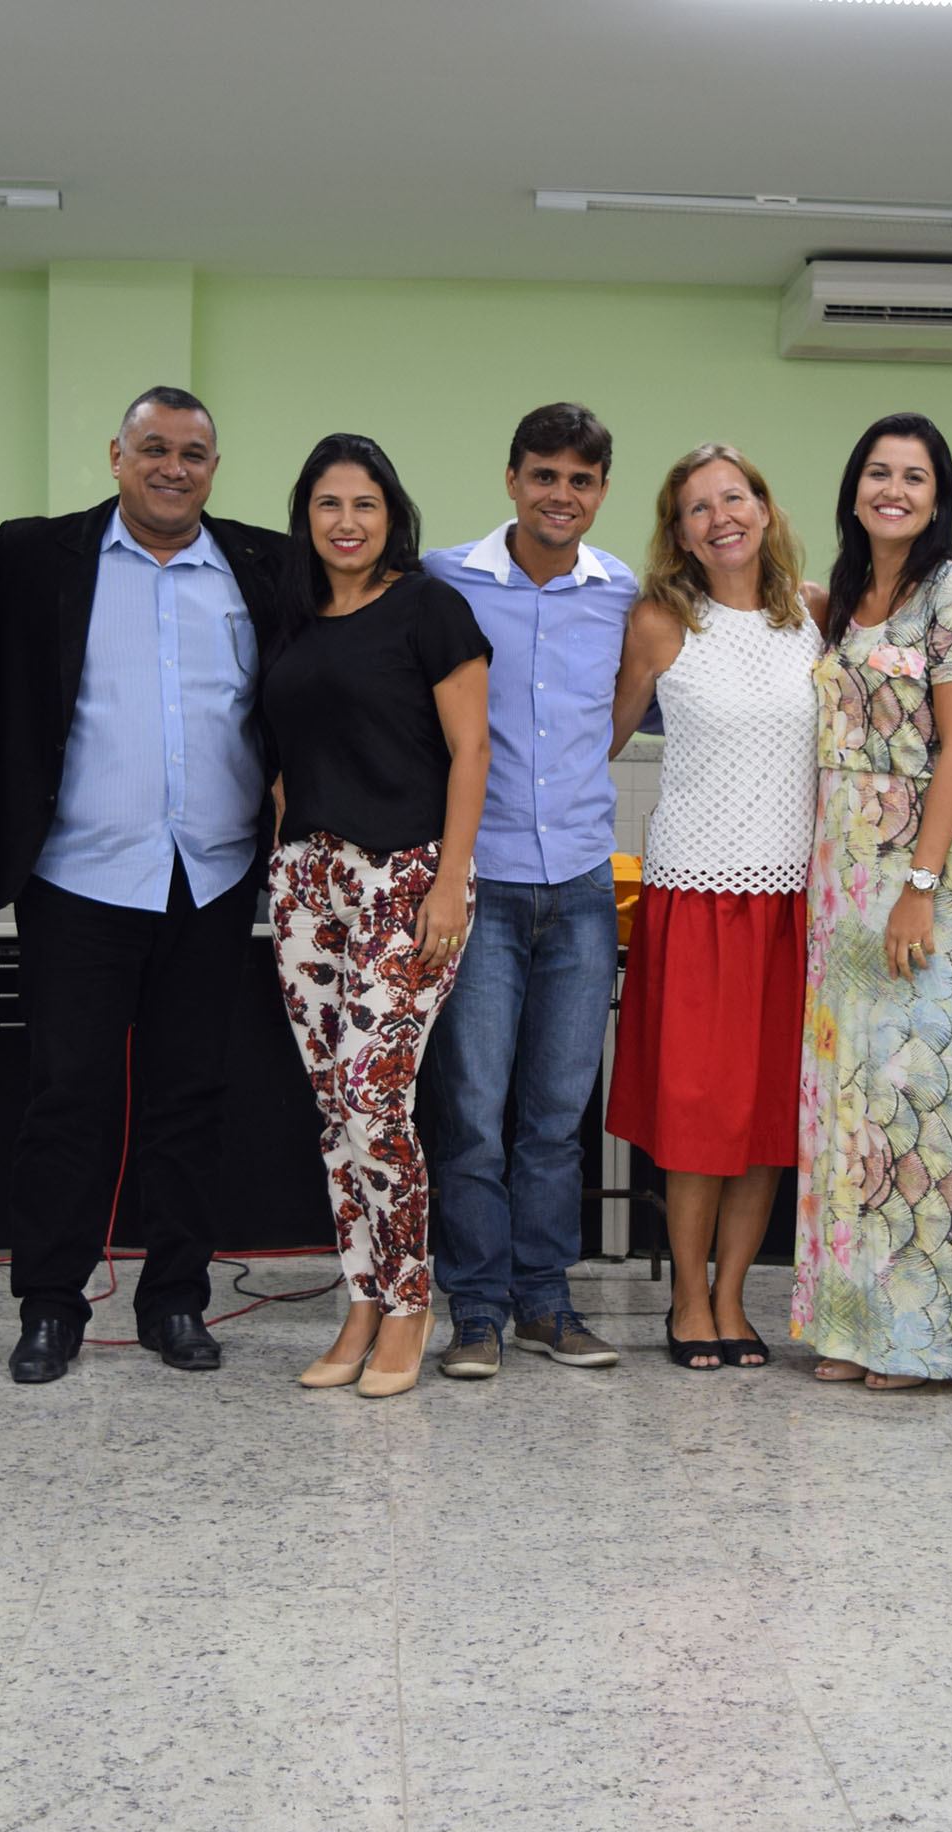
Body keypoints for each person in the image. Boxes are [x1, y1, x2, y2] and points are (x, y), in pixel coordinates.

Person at [0, 387, 288, 1381]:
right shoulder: (37, 554)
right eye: (153, 448)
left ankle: (176, 1299)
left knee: (189, 1097)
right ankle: (50, 1304)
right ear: (116, 456)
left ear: (214, 468)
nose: (172, 468)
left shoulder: (263, 564)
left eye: (193, 453)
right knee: (68, 1096)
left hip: (212, 875)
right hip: (79, 875)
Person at [262, 436, 493, 1398]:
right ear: (305, 517)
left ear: (391, 514)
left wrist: (449, 879)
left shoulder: (430, 607)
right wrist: (289, 854)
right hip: (306, 882)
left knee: (371, 1098)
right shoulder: (292, 617)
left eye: (364, 503)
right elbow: (283, 754)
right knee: (332, 1108)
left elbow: (472, 749)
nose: (346, 521)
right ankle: (360, 1299)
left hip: (407, 876)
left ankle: (407, 1301)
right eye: (328, 504)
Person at [418, 405, 636, 1379]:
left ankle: (546, 1302)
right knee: (472, 1112)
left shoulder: (621, 592)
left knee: (555, 1116)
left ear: (601, 492)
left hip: (582, 886)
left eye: (581, 480)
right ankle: (476, 1310)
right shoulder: (444, 581)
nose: (561, 495)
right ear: (511, 480)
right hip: (481, 884)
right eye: (544, 475)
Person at [792, 413, 952, 1388]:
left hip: (922, 867)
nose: (894, 490)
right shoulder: (841, 599)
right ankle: (851, 1329)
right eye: (879, 472)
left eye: (914, 477)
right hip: (841, 874)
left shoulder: (951, 590)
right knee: (848, 1103)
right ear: (854, 488)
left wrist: (918, 884)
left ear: (937, 497)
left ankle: (920, 1340)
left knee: (916, 1102)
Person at [608, 445, 815, 1371]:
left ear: (763, 510)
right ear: (679, 534)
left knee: (765, 1115)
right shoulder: (659, 621)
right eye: (698, 507)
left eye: (734, 497)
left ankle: (733, 1296)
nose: (720, 516)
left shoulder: (812, 614)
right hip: (694, 895)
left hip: (790, 901)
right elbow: (600, 738)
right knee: (698, 1114)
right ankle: (687, 1298)